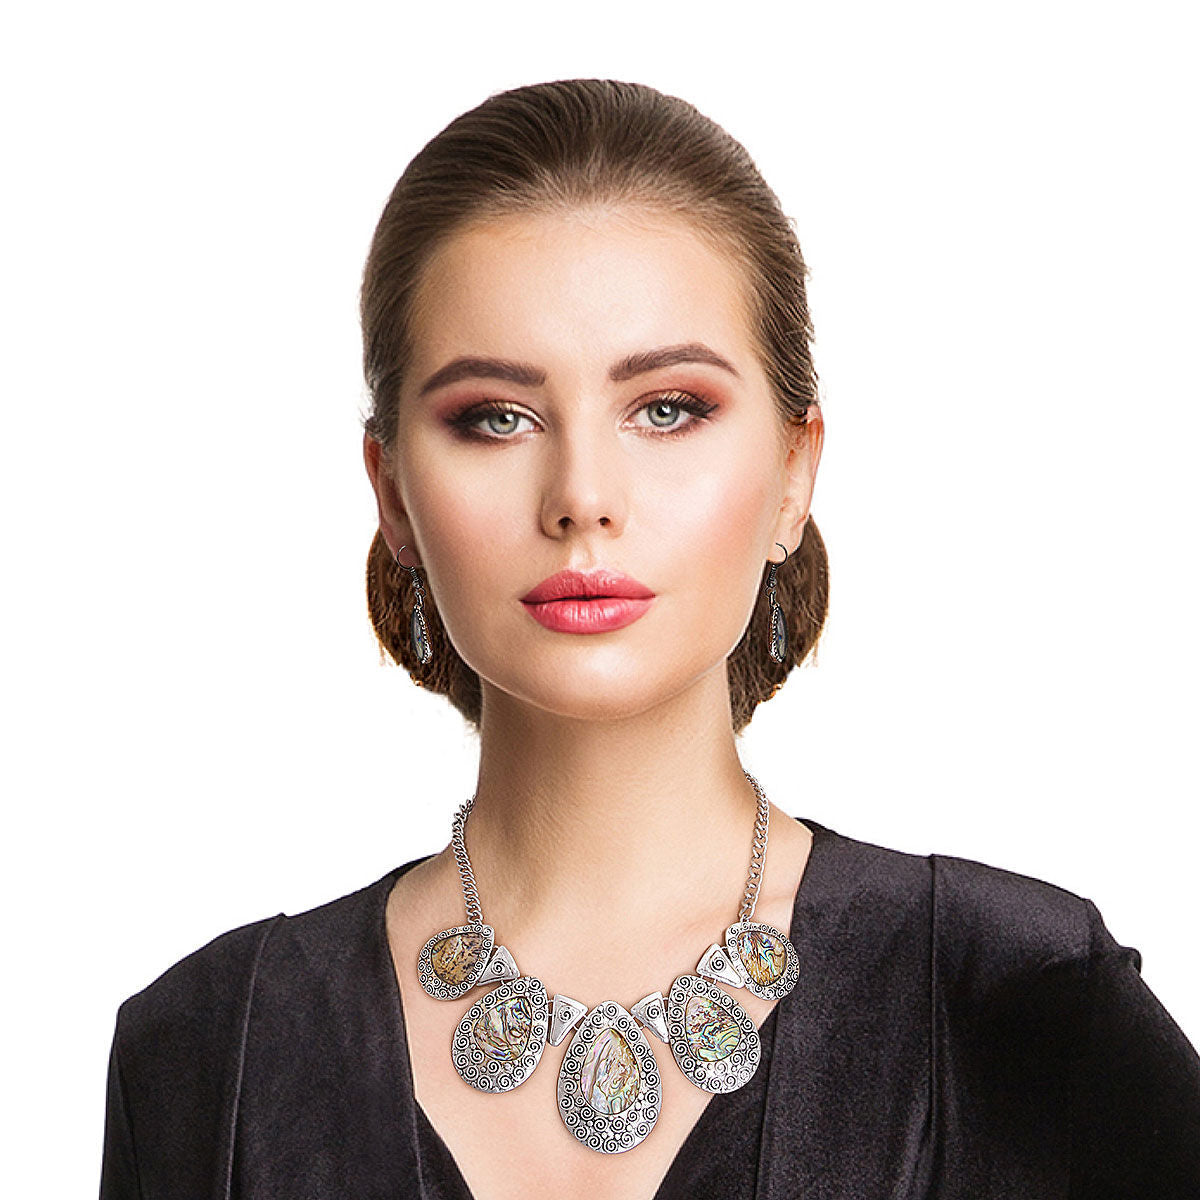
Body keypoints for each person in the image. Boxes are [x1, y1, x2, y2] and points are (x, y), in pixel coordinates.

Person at [100, 78, 1200, 1199]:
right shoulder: (206, 1057)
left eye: (667, 409)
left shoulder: (1019, 1000)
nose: (582, 496)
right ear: (392, 494)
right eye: (495, 418)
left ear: (794, 473)